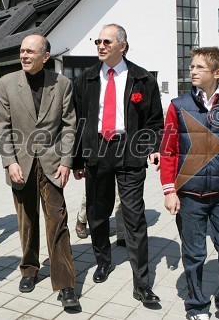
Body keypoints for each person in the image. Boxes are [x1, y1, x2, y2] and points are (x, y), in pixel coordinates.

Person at [72, 23, 163, 304]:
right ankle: (103, 261)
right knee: (97, 213)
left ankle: (142, 283)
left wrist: (152, 148)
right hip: (96, 149)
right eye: (97, 41)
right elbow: (78, 122)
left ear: (122, 45)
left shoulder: (142, 79)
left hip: (129, 150)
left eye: (107, 42)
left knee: (134, 218)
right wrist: (76, 158)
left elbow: (154, 120)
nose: (100, 46)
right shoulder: (85, 79)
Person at [160, 47, 219, 320]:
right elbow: (168, 150)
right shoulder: (178, 106)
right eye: (192, 67)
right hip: (189, 195)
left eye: (200, 67)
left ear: (217, 73)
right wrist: (168, 190)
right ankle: (197, 306)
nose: (193, 71)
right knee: (194, 254)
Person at [0, 34, 80, 309]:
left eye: (31, 51)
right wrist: (10, 162)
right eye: (22, 51)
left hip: (52, 163)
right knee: (27, 221)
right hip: (21, 163)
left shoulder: (63, 83)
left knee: (57, 220)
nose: (24, 55)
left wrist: (66, 161)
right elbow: (2, 127)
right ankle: (30, 268)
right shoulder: (7, 83)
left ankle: (65, 284)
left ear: (45, 56)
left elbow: (69, 125)